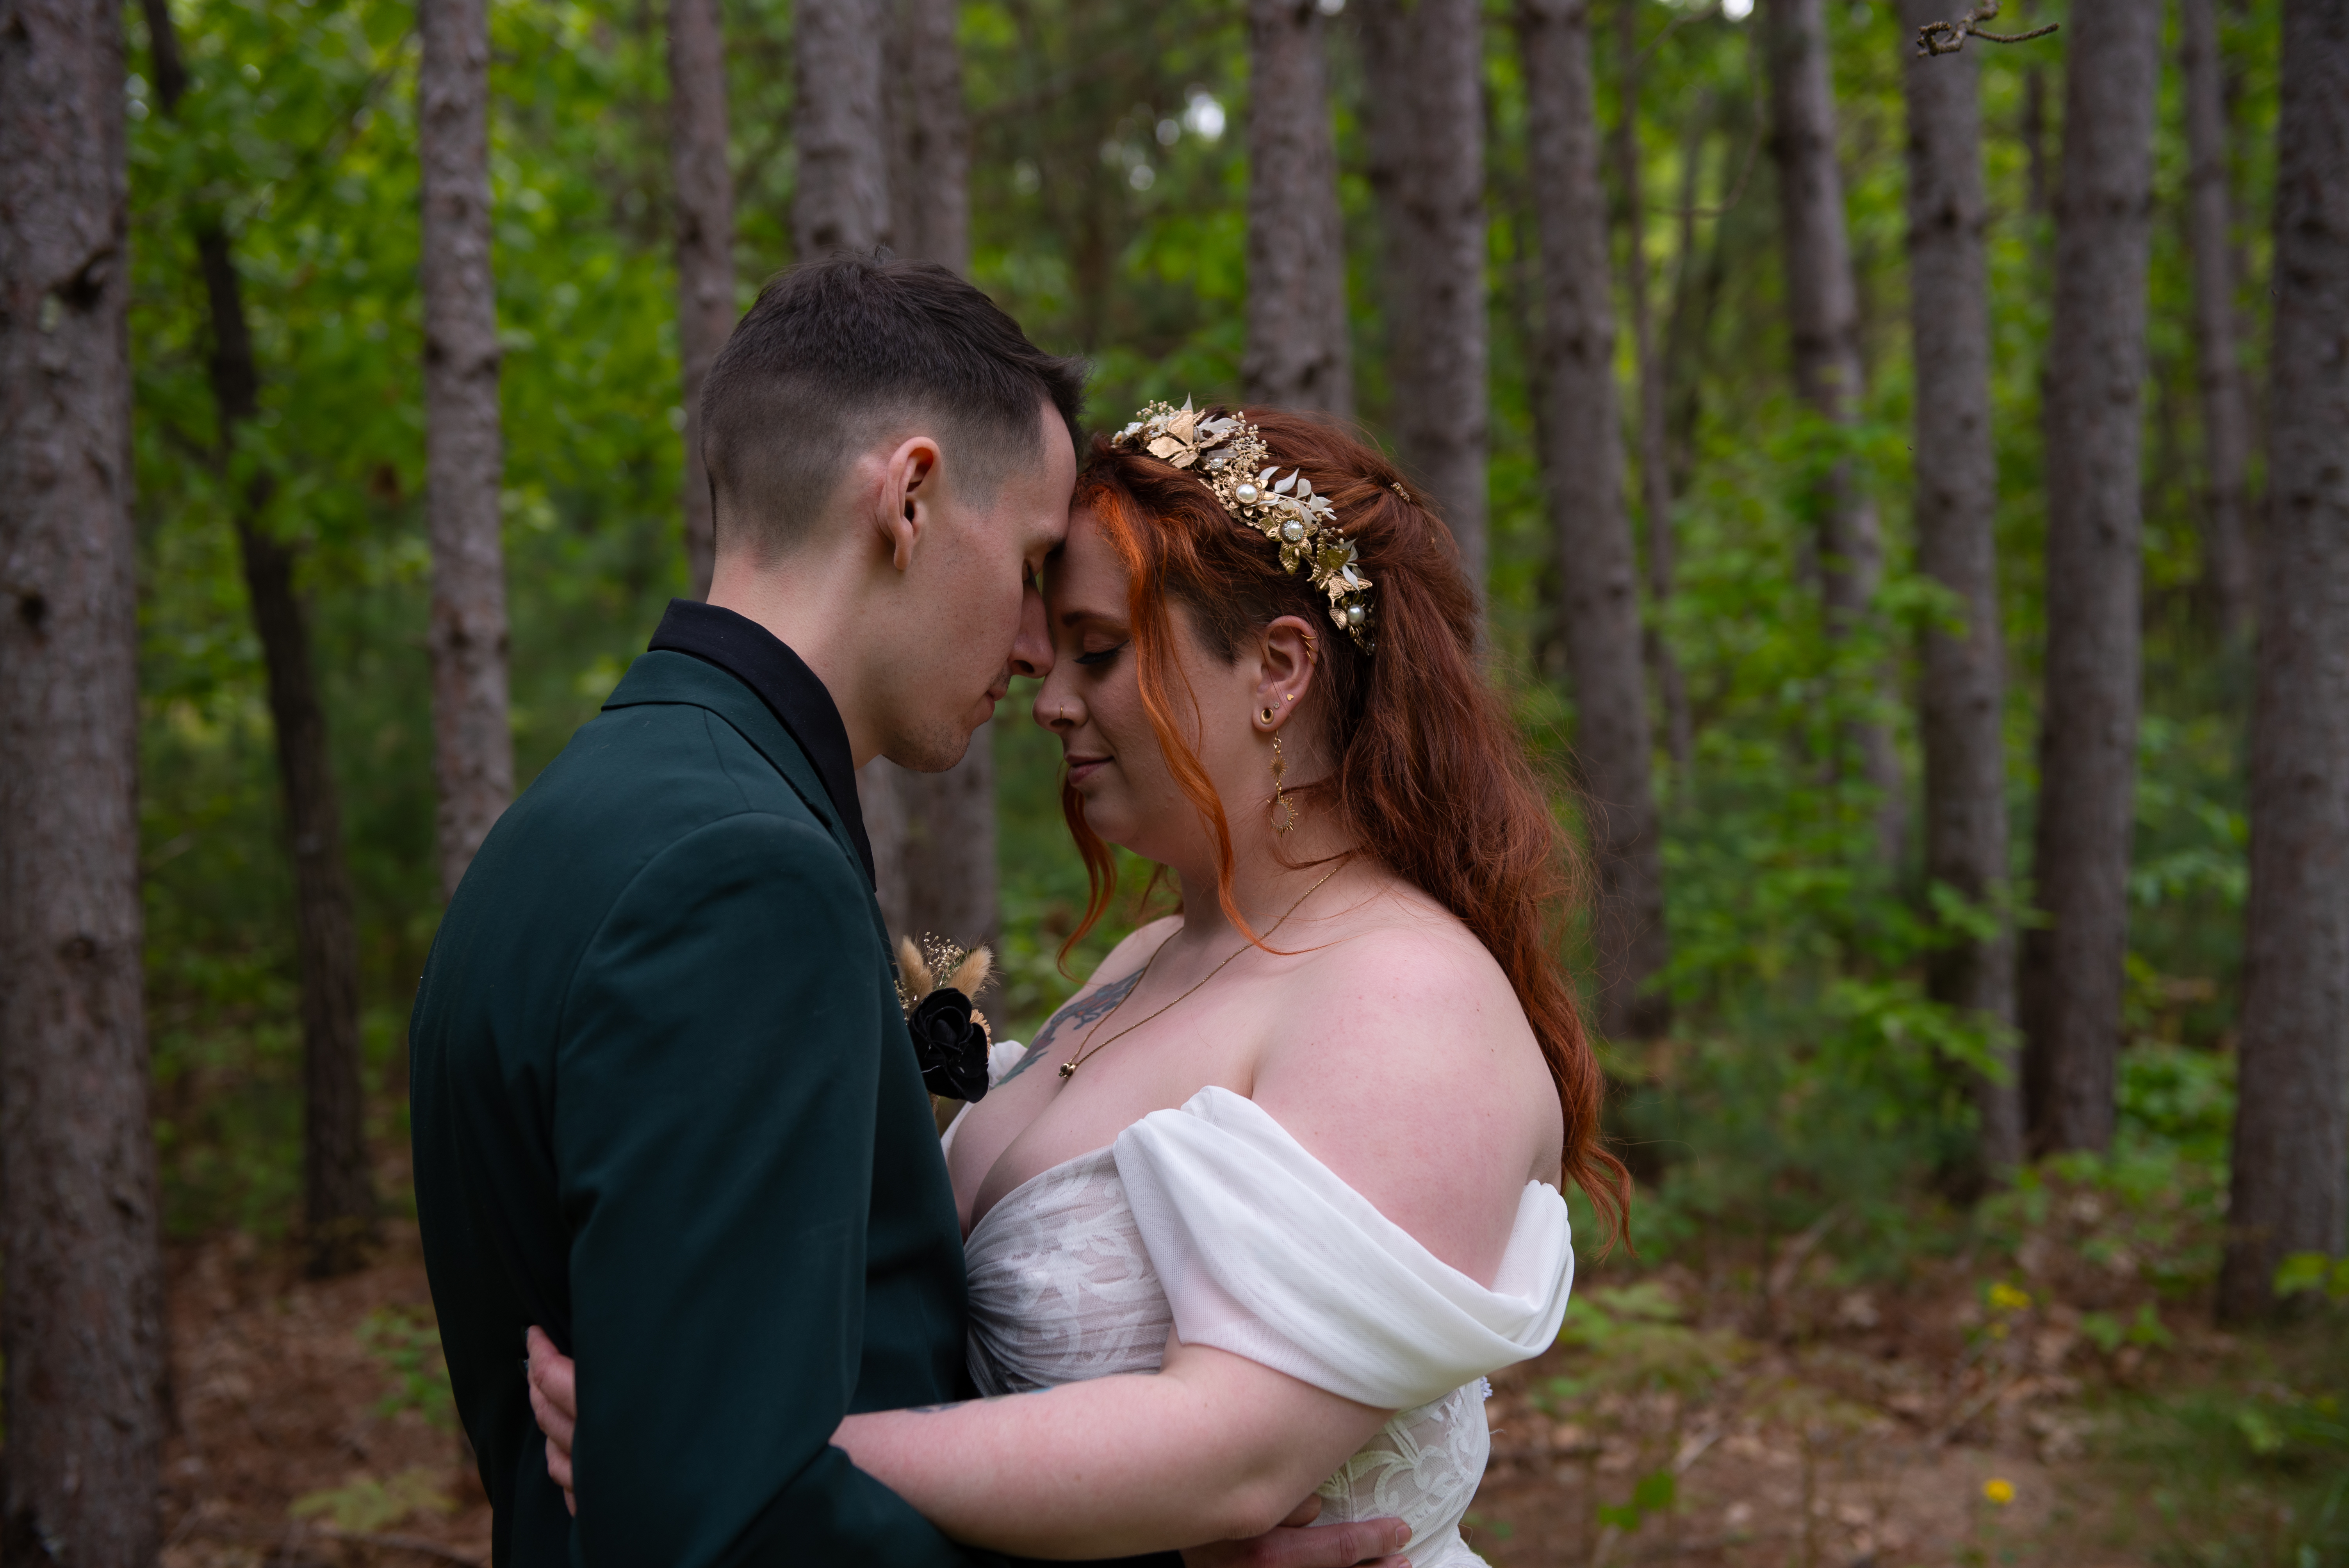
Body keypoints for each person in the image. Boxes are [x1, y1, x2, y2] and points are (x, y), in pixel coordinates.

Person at [527, 401, 1629, 1566]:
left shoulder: (1406, 997)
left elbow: (1234, 1456)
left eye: (1098, 651)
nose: (1050, 700)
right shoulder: (1148, 959)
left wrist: (742, 1452)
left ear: (1279, 668)